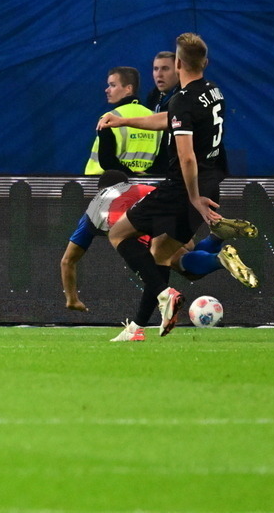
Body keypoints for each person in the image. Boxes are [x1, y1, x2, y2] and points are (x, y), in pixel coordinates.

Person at [97, 32, 231, 341]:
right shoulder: (213, 91)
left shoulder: (183, 100)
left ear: (179, 63)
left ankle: (165, 294)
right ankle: (137, 329)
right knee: (159, 254)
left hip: (183, 189)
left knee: (118, 234)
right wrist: (123, 121)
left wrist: (194, 197)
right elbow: (168, 120)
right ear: (205, 63)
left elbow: (186, 157)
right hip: (210, 185)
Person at [61, 170, 259, 316]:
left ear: (100, 189)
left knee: (181, 264)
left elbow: (67, 261)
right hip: (163, 202)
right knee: (186, 252)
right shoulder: (135, 186)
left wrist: (72, 298)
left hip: (128, 223)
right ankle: (217, 238)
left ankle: (218, 258)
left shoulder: (92, 210)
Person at [84, 66, 160, 176]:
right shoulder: (155, 118)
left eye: (112, 85)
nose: (107, 90)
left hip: (106, 184)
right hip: (146, 185)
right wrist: (142, 177)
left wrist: (130, 176)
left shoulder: (109, 118)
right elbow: (163, 160)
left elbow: (107, 161)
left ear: (128, 89)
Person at [145, 51, 178, 174]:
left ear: (178, 70)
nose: (159, 74)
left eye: (165, 69)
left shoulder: (185, 97)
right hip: (157, 167)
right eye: (155, 69)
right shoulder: (153, 96)